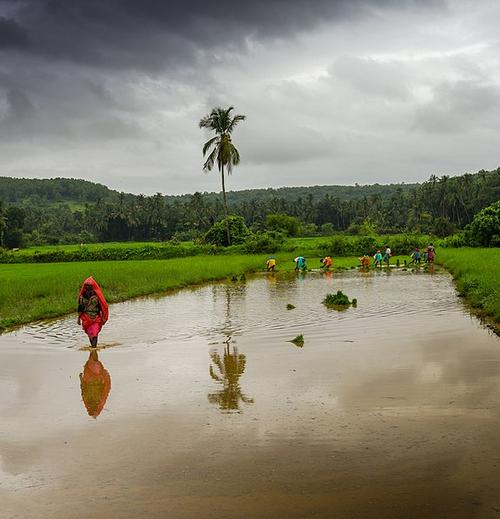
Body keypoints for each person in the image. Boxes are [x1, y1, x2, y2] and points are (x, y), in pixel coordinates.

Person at [77, 277, 108, 348]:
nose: (88, 289)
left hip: (96, 318)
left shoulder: (97, 297)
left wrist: (103, 317)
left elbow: (101, 307)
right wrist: (78, 319)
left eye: (90, 287)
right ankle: (93, 347)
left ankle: (93, 350)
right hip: (86, 318)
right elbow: (80, 308)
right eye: (87, 287)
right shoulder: (82, 297)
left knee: (94, 333)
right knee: (90, 334)